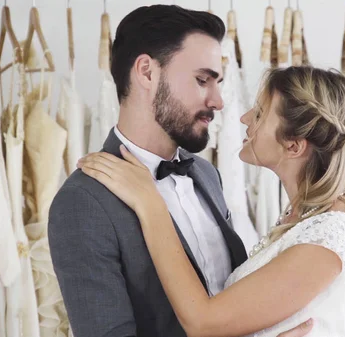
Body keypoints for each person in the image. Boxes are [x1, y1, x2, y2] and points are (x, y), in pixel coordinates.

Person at [48, 5, 313, 337]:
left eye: (218, 83)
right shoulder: (83, 202)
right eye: (202, 80)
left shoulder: (204, 174)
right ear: (146, 72)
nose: (218, 101)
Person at [77, 62, 345, 336]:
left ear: (294, 146)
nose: (244, 118)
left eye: (259, 114)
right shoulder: (306, 219)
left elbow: (203, 321)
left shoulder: (329, 237)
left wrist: (151, 206)